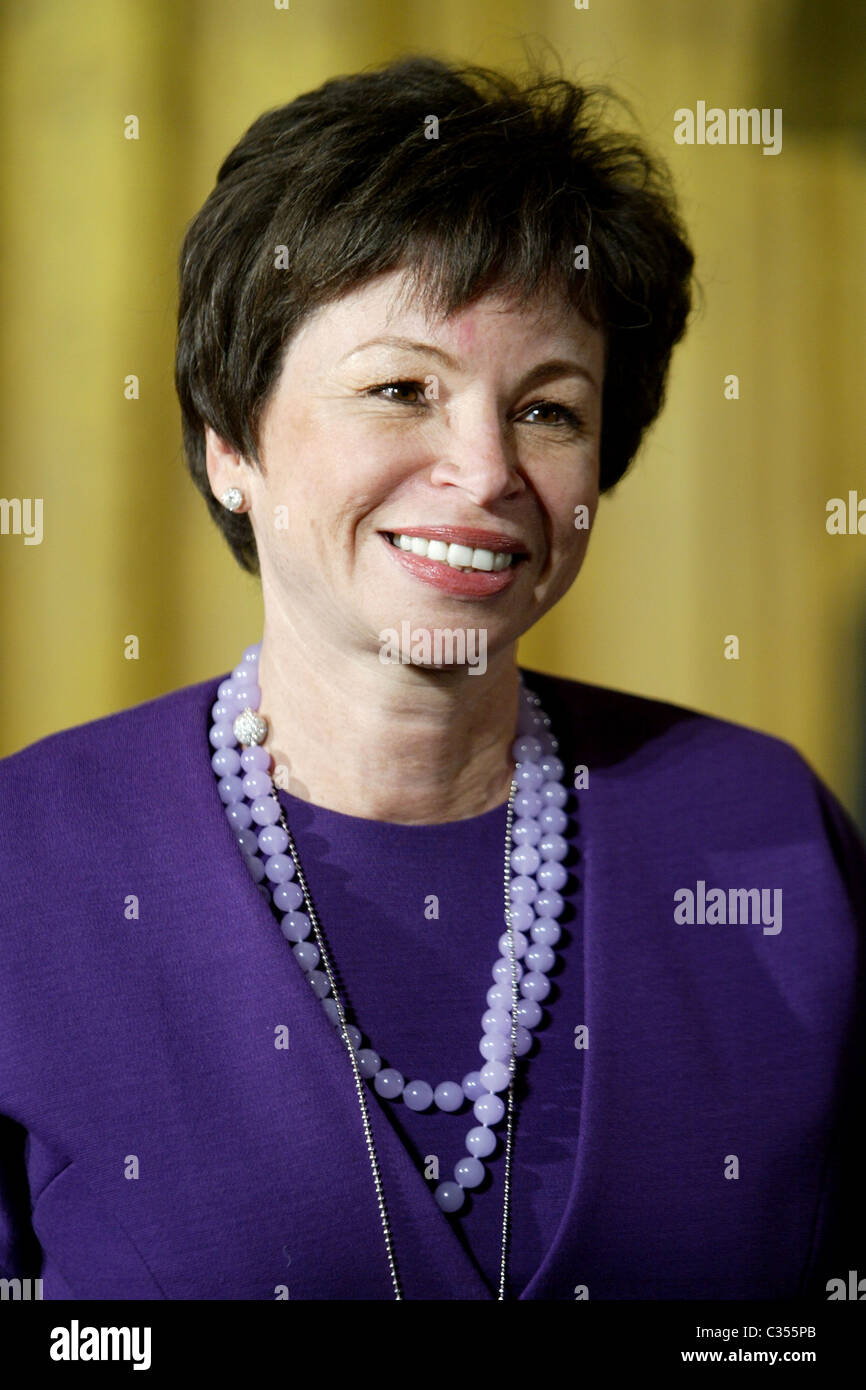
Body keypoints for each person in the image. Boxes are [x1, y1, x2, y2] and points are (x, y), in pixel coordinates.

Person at [0, 54, 863, 1302]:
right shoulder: (32, 860)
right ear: (229, 438)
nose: (484, 469)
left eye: (549, 410)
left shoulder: (762, 831)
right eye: (402, 388)